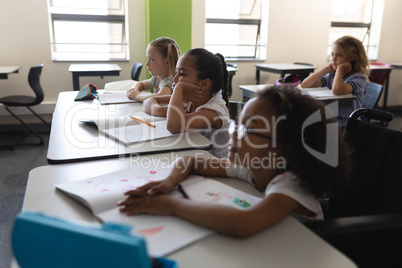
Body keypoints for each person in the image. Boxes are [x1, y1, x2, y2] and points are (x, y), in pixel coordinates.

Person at [118, 86, 351, 238]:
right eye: (237, 124)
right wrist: (169, 183)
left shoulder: (290, 184)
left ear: (283, 150)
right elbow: (190, 161)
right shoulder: (253, 167)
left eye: (249, 129)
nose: (234, 134)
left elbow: (243, 223)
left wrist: (170, 206)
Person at [143, 48, 230, 158]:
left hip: (214, 167)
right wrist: (159, 110)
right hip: (192, 156)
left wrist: (179, 88)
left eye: (182, 74)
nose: (174, 79)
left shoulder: (213, 111)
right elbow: (148, 102)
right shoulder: (190, 100)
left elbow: (174, 127)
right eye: (175, 72)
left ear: (204, 84)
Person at [300, 35, 369, 126]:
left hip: (348, 124)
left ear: (353, 57)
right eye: (332, 55)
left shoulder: (358, 78)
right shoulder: (331, 75)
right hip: (332, 121)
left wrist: (340, 69)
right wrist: (326, 69)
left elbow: (337, 90)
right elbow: (305, 85)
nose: (333, 59)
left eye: (339, 55)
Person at [127, 37, 180, 102]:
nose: (147, 63)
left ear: (167, 62)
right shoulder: (157, 78)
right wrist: (134, 90)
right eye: (147, 59)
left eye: (152, 59)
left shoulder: (170, 81)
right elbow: (141, 84)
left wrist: (136, 96)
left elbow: (160, 97)